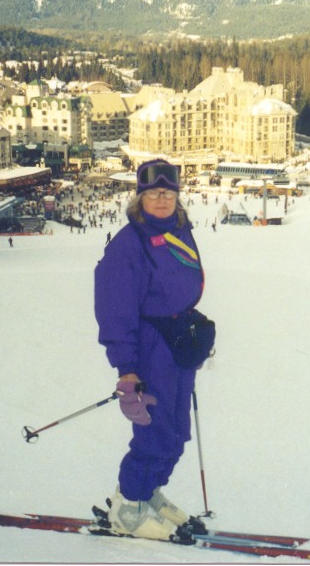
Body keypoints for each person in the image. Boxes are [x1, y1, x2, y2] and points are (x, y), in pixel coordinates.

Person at [94, 160, 207, 541]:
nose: (162, 199)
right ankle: (129, 507)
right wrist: (127, 367)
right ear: (139, 198)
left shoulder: (178, 230)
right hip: (149, 349)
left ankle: (147, 493)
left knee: (175, 431)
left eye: (169, 193)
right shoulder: (128, 246)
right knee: (154, 430)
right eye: (154, 193)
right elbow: (115, 310)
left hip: (176, 344)